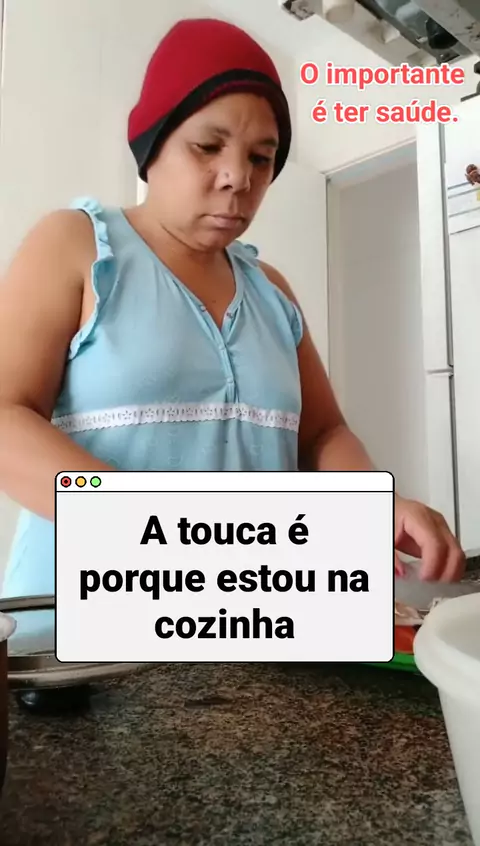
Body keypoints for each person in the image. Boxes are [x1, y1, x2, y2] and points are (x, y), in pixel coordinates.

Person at [0, 16, 465, 604]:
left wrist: (373, 503)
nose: (238, 177)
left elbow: (323, 433)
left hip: (245, 615)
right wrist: (144, 521)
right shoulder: (77, 245)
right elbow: (6, 415)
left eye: (262, 158)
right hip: (80, 623)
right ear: (153, 142)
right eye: (208, 146)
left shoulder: (272, 291)